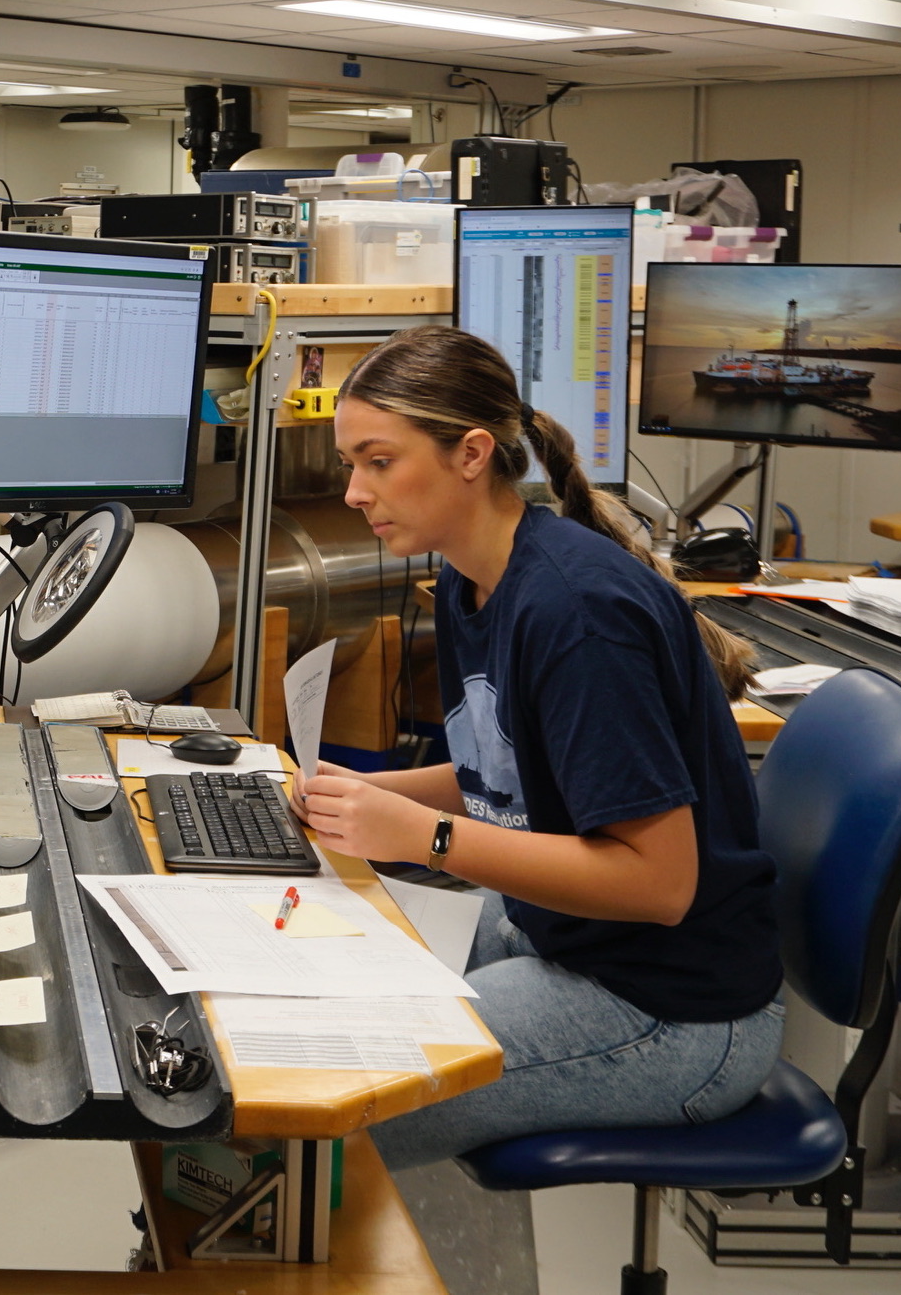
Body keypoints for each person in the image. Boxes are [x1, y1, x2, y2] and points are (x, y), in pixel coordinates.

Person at [296, 325, 782, 1171]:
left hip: (669, 1009)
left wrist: (424, 838)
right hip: (561, 934)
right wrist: (374, 796)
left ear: (471, 453)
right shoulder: (470, 578)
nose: (354, 492)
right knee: (299, 1002)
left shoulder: (575, 614)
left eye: (379, 462)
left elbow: (661, 884)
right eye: (350, 464)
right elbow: (510, 772)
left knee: (313, 1112)